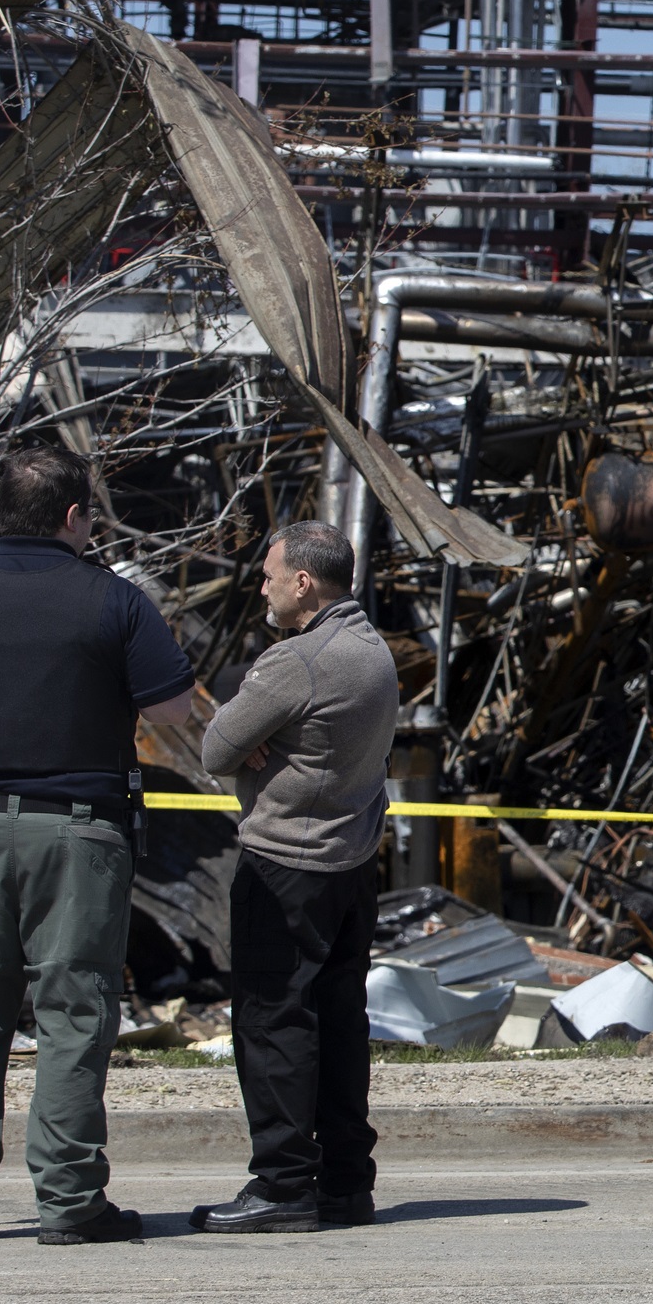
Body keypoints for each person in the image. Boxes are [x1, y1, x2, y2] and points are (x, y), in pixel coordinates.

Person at [0, 443, 198, 1244]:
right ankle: (69, 1200)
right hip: (77, 832)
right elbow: (172, 712)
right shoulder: (114, 600)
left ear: (2, 513)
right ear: (74, 516)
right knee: (74, 1011)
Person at [191, 522, 401, 1233]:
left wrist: (255, 735)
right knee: (339, 1023)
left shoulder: (298, 661)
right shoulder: (372, 649)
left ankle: (282, 1184)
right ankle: (344, 1182)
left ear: (303, 583)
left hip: (286, 863)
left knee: (273, 1021)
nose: (263, 588)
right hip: (352, 861)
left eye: (270, 576)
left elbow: (217, 747)